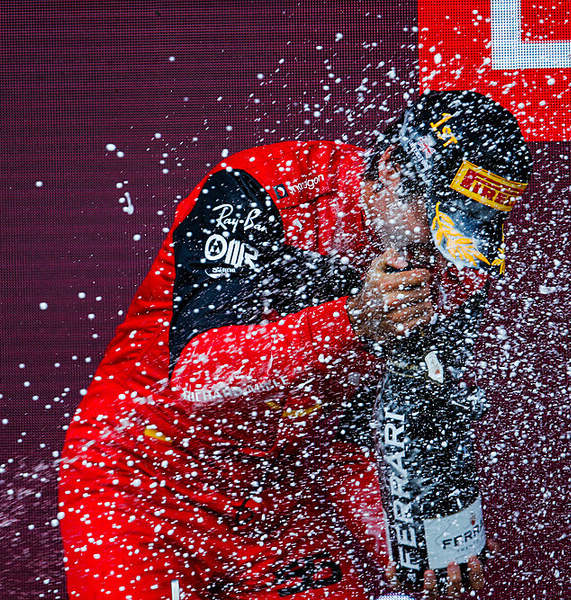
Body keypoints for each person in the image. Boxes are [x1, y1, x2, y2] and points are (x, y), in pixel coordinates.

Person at [58, 90, 533, 600]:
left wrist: (419, 538)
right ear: (392, 169)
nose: (437, 252)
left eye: (467, 226)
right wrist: (354, 321)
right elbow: (198, 377)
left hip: (282, 495)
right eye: (436, 220)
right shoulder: (263, 189)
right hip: (147, 478)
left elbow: (372, 429)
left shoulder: (460, 267)